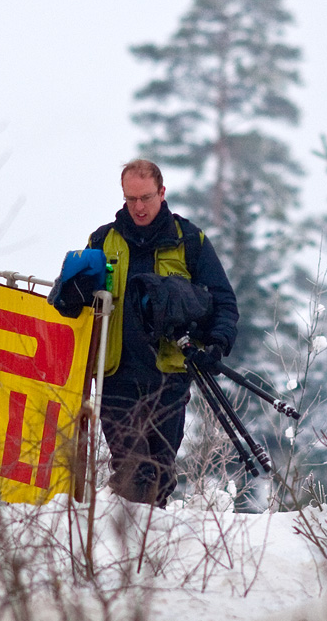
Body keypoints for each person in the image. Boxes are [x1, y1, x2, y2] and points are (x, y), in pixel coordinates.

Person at [87, 159, 239, 506]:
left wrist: (217, 345)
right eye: (130, 199)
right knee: (133, 472)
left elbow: (224, 302)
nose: (138, 207)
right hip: (115, 375)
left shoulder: (189, 241)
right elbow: (80, 304)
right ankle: (114, 543)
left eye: (145, 198)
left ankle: (136, 548)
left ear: (162, 193)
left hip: (168, 378)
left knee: (160, 476)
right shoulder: (101, 240)